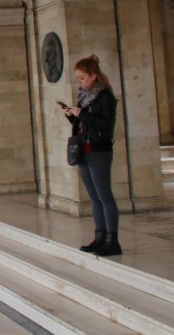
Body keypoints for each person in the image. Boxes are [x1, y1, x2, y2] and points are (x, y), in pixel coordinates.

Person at [62, 55, 121, 256]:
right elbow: (85, 125)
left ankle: (112, 240)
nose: (80, 82)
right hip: (84, 150)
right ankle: (99, 237)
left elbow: (105, 125)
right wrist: (72, 116)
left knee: (104, 195)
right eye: (78, 78)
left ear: (93, 75)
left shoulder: (105, 97)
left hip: (99, 150)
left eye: (82, 78)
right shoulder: (85, 97)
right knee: (94, 197)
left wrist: (83, 114)